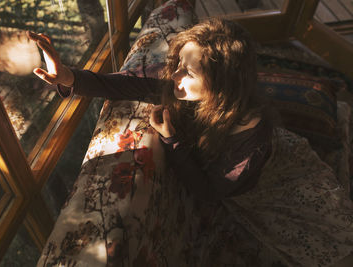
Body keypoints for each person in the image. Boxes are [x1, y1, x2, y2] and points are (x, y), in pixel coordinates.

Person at [28, 18, 353, 266]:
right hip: (246, 157)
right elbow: (123, 85)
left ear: (222, 84)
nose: (175, 76)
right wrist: (67, 77)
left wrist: (171, 139)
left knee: (333, 236)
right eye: (179, 65)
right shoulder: (183, 87)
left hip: (272, 177)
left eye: (189, 72)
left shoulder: (252, 145)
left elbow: (209, 192)